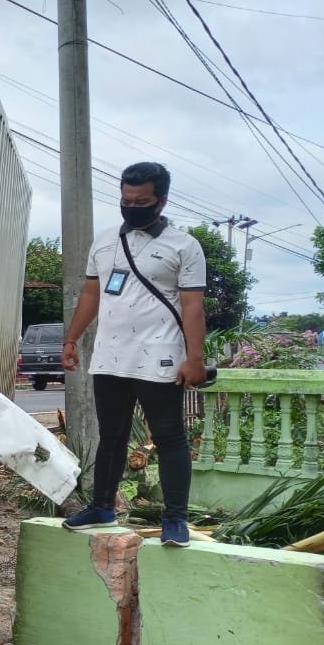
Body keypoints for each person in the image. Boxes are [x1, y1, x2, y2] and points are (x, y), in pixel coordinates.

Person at [59, 161, 208, 546]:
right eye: (126, 199)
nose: (132, 206)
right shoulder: (105, 240)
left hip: (161, 353)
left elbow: (192, 306)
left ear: (161, 200)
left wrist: (195, 358)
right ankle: (102, 506)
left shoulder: (184, 246)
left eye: (141, 200)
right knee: (111, 435)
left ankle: (175, 519)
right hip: (110, 354)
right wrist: (71, 339)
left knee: (169, 435)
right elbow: (92, 293)